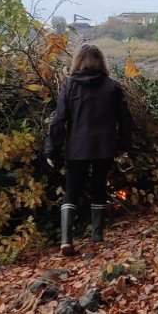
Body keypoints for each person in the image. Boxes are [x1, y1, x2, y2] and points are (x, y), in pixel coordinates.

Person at [46, 44, 134, 256]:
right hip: (105, 146)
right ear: (101, 61)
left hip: (77, 147)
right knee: (99, 187)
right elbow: (125, 119)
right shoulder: (112, 87)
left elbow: (60, 120)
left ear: (77, 62)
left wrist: (52, 150)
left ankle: (66, 240)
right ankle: (97, 236)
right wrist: (123, 145)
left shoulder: (69, 86)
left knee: (72, 190)